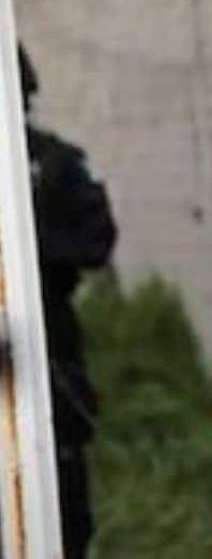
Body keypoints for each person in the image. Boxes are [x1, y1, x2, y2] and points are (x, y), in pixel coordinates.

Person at [21, 42, 117, 559]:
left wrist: (30, 251)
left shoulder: (56, 163)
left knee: (62, 504)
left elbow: (97, 241)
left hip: (50, 339)